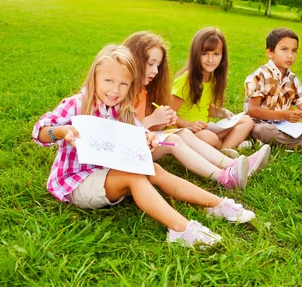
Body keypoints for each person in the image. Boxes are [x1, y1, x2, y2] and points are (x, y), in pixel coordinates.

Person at [33, 44, 256, 247]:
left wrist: (148, 138)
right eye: (108, 81)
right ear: (94, 77)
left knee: (155, 168)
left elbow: (138, 132)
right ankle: (181, 229)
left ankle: (217, 205)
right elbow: (40, 132)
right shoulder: (76, 104)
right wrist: (60, 131)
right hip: (77, 181)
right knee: (136, 176)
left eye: (123, 84)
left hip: (108, 172)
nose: (115, 90)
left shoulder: (120, 108)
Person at [123, 32, 270, 189]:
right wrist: (153, 120)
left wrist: (161, 122)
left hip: (147, 143)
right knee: (178, 138)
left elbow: (148, 130)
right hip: (129, 150)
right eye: (150, 64)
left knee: (182, 134)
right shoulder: (121, 92)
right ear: (134, 60)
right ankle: (225, 177)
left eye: (158, 66)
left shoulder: (143, 92)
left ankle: (232, 165)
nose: (156, 71)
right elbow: (125, 133)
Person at [170, 27, 255, 157]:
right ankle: (227, 146)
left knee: (247, 120)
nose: (211, 60)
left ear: (222, 56)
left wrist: (223, 112)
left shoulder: (212, 79)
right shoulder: (185, 81)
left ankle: (223, 150)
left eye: (216, 54)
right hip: (185, 131)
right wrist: (190, 125)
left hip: (204, 128)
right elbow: (170, 115)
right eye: (204, 54)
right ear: (195, 54)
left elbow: (206, 107)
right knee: (211, 139)